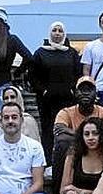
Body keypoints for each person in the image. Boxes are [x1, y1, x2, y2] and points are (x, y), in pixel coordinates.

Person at [52, 76, 103, 194]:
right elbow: (59, 135)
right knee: (62, 145)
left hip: (100, 157)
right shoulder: (65, 112)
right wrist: (95, 137)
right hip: (76, 157)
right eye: (81, 90)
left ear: (96, 93)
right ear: (74, 92)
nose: (85, 93)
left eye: (89, 90)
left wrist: (77, 135)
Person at [30, 21, 81, 162]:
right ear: (50, 33)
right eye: (54, 30)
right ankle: (48, 160)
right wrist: (43, 91)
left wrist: (72, 90)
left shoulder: (71, 53)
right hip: (47, 100)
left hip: (67, 99)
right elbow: (33, 76)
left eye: (60, 31)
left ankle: (69, 160)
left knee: (67, 128)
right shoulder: (40, 53)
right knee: (48, 130)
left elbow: (78, 74)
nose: (57, 33)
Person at [0, 7, 33, 111]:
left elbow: (29, 57)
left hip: (2, 84)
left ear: (2, 21)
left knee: (2, 114)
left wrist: (18, 72)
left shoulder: (11, 40)